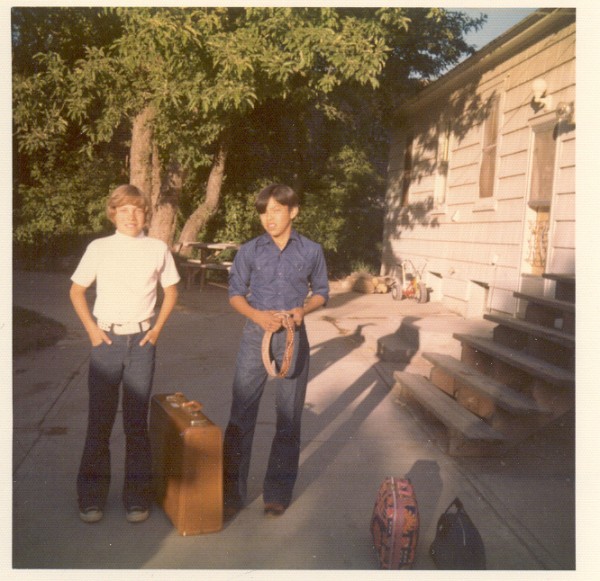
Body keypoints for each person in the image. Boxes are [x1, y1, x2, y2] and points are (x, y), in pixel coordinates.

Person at [69, 184, 180, 524]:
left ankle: (136, 498)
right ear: (113, 213)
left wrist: (157, 329)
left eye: (138, 209)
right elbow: (76, 291)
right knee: (100, 422)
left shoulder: (157, 248)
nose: (131, 215)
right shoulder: (99, 248)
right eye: (124, 209)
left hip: (141, 345)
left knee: (136, 423)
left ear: (145, 214)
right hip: (107, 342)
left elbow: (171, 292)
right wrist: (91, 329)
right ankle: (91, 498)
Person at [224, 183, 329, 518]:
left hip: (293, 337)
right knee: (241, 414)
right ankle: (230, 493)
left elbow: (322, 291)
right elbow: (235, 293)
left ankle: (277, 494)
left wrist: (303, 311)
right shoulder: (249, 251)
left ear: (292, 211)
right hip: (257, 335)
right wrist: (256, 315)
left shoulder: (311, 251)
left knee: (288, 417)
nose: (268, 218)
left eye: (276, 210)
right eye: (263, 211)